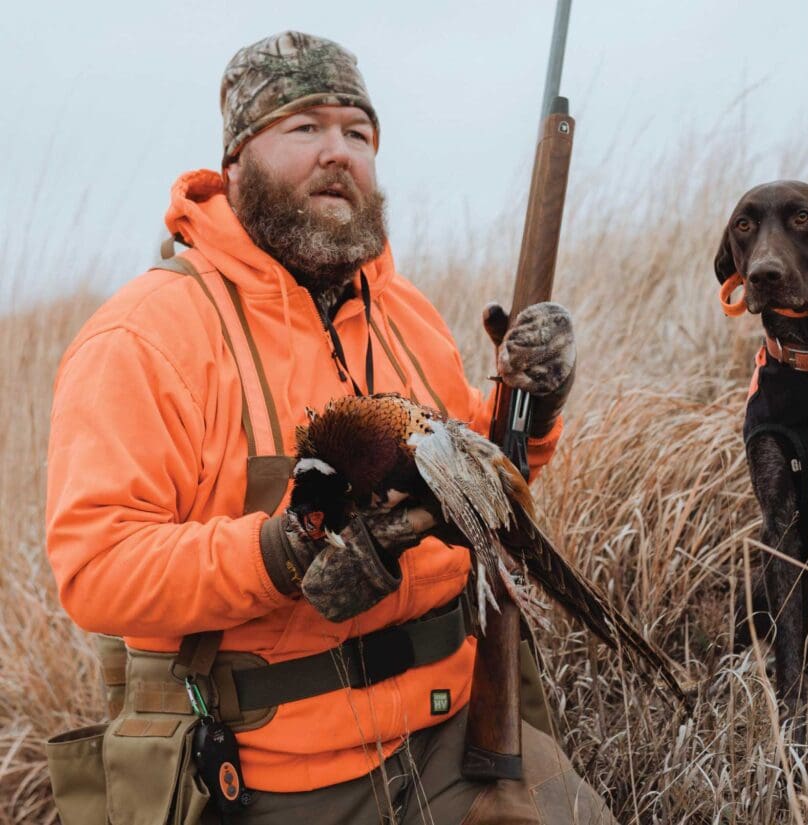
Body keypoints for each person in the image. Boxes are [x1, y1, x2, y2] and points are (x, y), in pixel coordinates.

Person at [46, 30, 615, 825]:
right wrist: (277, 549)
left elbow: (476, 471)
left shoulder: (403, 312)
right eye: (305, 127)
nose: (338, 152)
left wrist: (532, 412)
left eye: (358, 132)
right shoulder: (147, 334)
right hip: (272, 773)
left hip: (455, 735)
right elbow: (97, 567)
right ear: (236, 163)